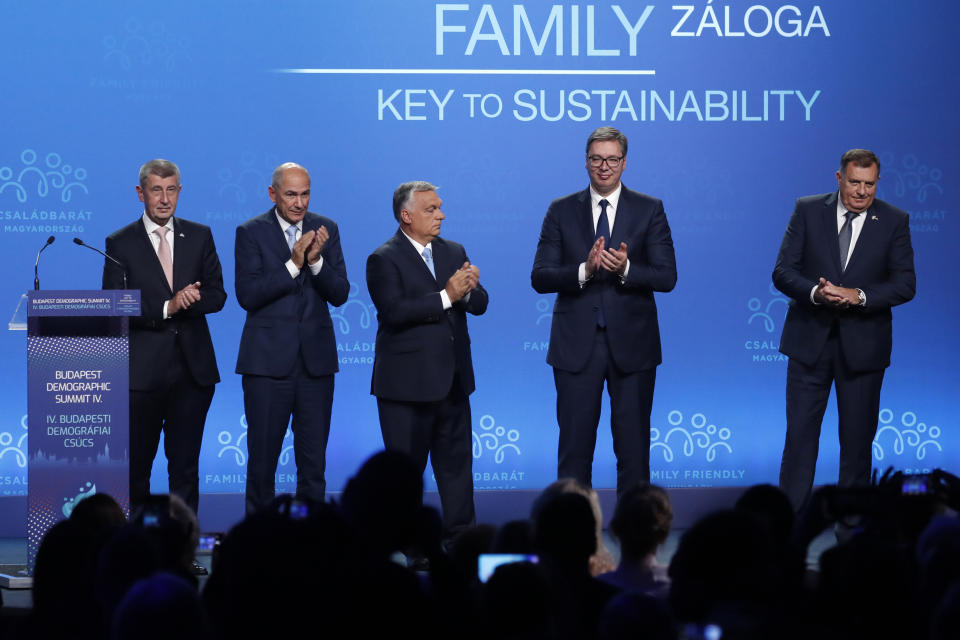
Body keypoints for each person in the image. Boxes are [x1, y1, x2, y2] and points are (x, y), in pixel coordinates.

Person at [531, 126, 677, 497]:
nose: (604, 167)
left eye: (612, 159)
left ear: (624, 164)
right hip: (576, 347)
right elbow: (541, 276)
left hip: (633, 347)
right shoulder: (561, 210)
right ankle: (574, 541)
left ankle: (636, 542)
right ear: (586, 162)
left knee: (634, 452)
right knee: (574, 453)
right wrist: (585, 270)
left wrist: (625, 268)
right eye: (596, 159)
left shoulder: (649, 208)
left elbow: (667, 276)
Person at [773, 148, 916, 511]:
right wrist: (816, 294)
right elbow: (783, 272)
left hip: (864, 351)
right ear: (839, 179)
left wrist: (859, 296)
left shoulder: (895, 220)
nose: (862, 192)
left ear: (877, 183)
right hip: (809, 344)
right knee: (800, 441)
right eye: (854, 182)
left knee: (856, 444)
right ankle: (788, 531)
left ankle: (851, 536)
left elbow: (905, 284)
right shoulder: (807, 210)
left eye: (869, 184)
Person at [103, 158, 226, 517]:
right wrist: (166, 307)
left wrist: (192, 300)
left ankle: (182, 548)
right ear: (141, 193)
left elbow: (218, 295)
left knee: (185, 469)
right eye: (156, 190)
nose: (164, 199)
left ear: (179, 192)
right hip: (141, 376)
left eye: (171, 190)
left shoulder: (200, 235)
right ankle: (133, 546)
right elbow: (115, 306)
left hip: (193, 373)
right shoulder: (120, 242)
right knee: (136, 470)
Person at [366, 181, 488, 542]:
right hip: (406, 388)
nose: (441, 215)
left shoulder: (454, 250)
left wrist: (469, 291)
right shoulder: (383, 258)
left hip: (452, 382)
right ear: (406, 216)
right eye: (431, 209)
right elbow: (394, 312)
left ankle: (461, 537)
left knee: (457, 469)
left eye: (440, 208)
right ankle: (411, 543)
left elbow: (479, 304)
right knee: (405, 474)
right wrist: (447, 295)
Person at [235, 162, 349, 514]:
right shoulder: (251, 232)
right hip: (267, 365)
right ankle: (258, 541)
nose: (299, 203)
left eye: (304, 194)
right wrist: (294, 263)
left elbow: (341, 292)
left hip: (315, 366)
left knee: (313, 465)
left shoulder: (326, 228)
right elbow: (248, 295)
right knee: (262, 463)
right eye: (290, 195)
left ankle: (310, 542)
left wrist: (315, 263)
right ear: (273, 194)